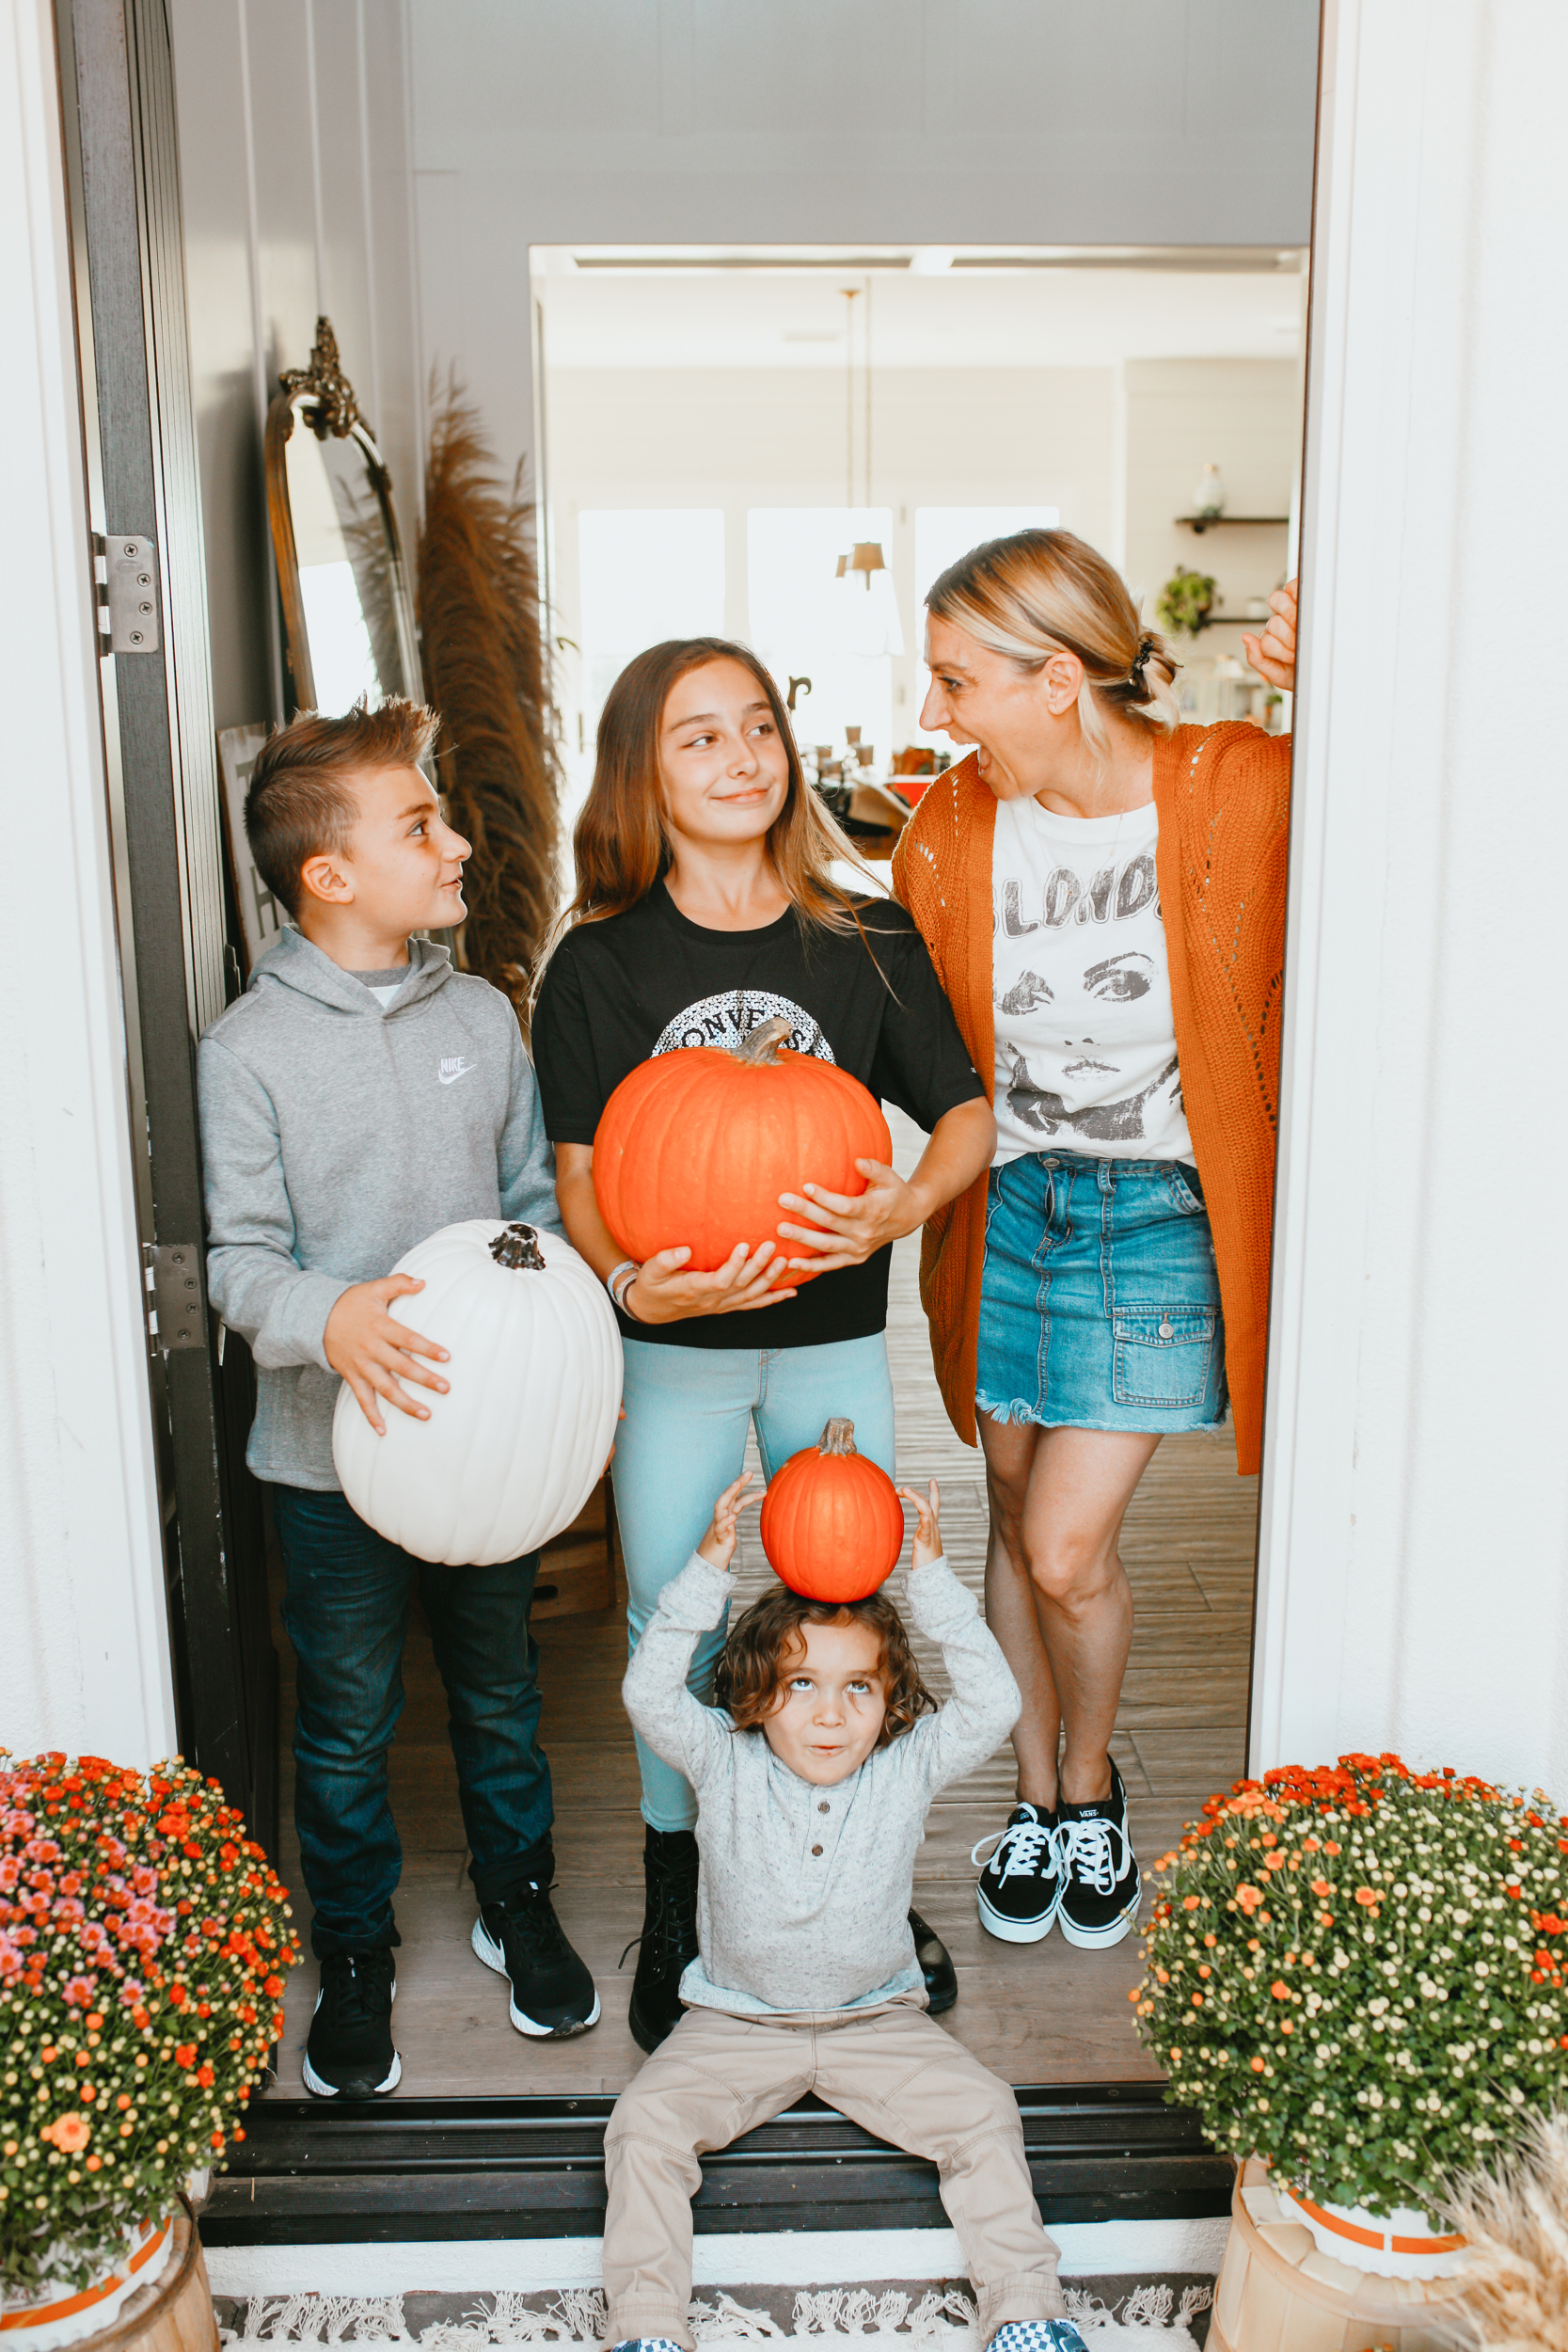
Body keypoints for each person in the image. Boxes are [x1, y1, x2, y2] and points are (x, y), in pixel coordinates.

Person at [530, 637, 996, 2051]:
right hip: (672, 1351)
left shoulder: (862, 940)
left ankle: (859, 1868)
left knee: (844, 1596)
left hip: (829, 1342)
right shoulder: (600, 964)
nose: (740, 759)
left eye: (755, 730)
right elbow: (576, 1172)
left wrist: (903, 1206)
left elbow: (964, 1114)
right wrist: (627, 1285)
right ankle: (683, 1885)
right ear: (642, 774)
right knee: (669, 1608)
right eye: (697, 739)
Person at [891, 530, 1297, 1957]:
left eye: (955, 683)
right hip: (1008, 1207)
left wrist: (1344, 692)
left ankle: (1094, 1782)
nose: (932, 715)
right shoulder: (949, 824)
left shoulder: (1237, 787)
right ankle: (1033, 1797)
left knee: (1064, 1547)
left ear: (1055, 677)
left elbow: (1396, 855)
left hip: (1156, 1213)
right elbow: (910, 1021)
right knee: (1006, 1512)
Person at [198, 698, 599, 2098]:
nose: (454, 841)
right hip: (323, 1468)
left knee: (499, 1697)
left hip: (485, 1463)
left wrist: (567, 1373)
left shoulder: (484, 1014)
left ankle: (516, 1899)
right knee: (348, 1719)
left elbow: (531, 1218)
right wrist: (335, 1317)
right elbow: (237, 1268)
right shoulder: (245, 1053)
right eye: (419, 822)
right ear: (331, 875)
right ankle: (354, 1947)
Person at [601, 1471, 1086, 2352]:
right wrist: (710, 1567)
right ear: (754, 1692)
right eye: (800, 1686)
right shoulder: (721, 1757)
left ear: (888, 1700)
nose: (830, 1715)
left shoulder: (905, 1764)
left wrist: (929, 1579)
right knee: (641, 2128)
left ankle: (1025, 2309)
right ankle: (647, 2326)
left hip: (878, 2020)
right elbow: (647, 1695)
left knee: (983, 2113)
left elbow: (995, 1704)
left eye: (858, 1688)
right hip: (734, 2023)